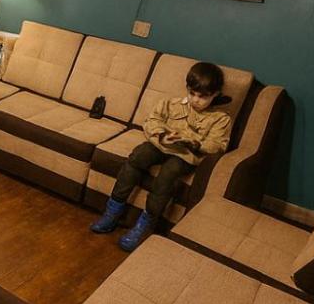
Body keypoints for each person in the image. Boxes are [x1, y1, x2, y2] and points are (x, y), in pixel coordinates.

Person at [90, 61, 232, 252]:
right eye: (192, 93)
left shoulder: (221, 119)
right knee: (138, 155)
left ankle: (145, 224)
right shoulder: (171, 104)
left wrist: (193, 142)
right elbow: (151, 121)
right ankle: (113, 211)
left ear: (215, 94)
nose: (195, 100)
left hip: (187, 155)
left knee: (169, 173)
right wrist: (162, 135)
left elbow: (217, 145)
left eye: (203, 96)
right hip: (162, 144)